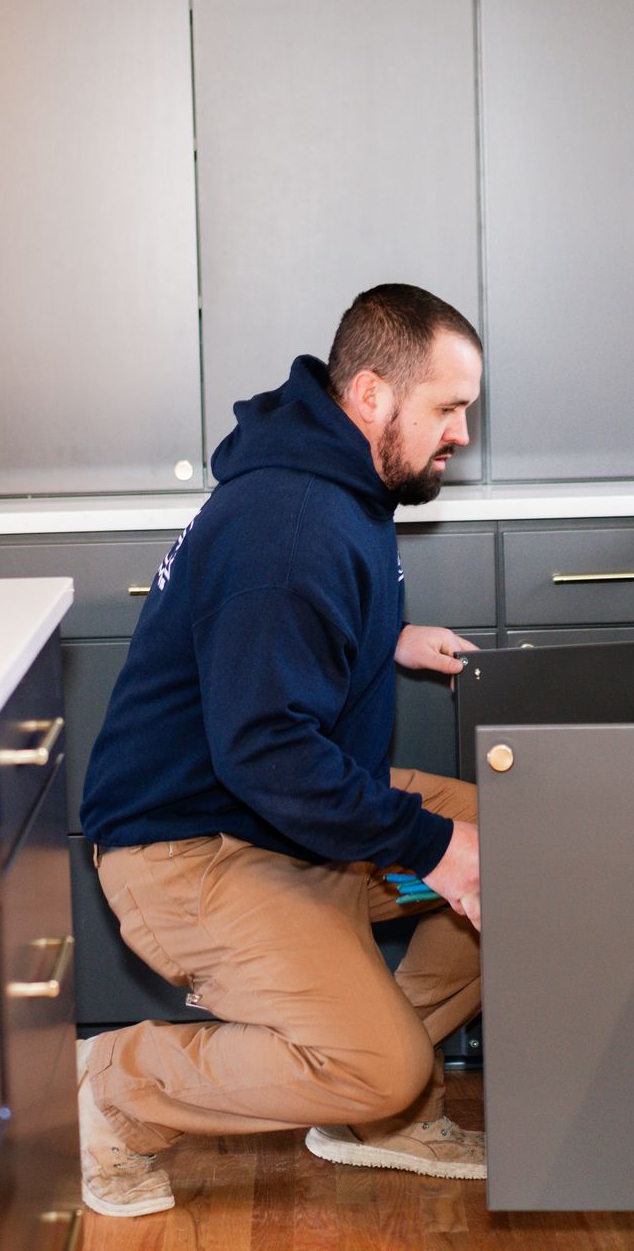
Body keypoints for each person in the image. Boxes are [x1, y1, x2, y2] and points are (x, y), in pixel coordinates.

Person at [73, 283, 488, 1218]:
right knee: (383, 1045)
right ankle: (113, 1086)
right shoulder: (294, 521)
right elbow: (265, 749)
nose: (461, 433)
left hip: (285, 816)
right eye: (449, 409)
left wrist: (384, 636)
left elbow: (276, 637)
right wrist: (434, 848)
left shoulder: (332, 481)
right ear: (375, 396)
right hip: (188, 847)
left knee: (525, 839)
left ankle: (374, 1108)